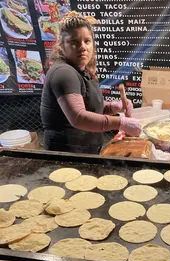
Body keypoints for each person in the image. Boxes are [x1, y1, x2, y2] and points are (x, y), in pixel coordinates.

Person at [40, 12, 141, 154]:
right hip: (66, 153)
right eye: (74, 42)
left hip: (86, 149)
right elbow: (79, 118)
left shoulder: (81, 69)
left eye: (87, 41)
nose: (82, 47)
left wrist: (113, 106)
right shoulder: (63, 73)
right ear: (61, 45)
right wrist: (121, 123)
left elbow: (88, 105)